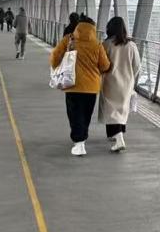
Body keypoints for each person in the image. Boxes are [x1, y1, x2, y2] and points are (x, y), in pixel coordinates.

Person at [50, 14, 110, 156]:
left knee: (74, 114)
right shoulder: (97, 44)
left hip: (72, 85)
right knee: (86, 115)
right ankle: (81, 138)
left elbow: (54, 59)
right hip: (92, 87)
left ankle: (79, 143)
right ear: (93, 28)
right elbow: (105, 66)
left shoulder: (69, 39)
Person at [98, 16, 140, 152]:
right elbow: (137, 66)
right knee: (121, 109)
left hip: (110, 82)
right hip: (127, 82)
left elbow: (101, 64)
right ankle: (115, 135)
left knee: (111, 110)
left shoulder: (106, 44)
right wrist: (132, 78)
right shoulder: (131, 45)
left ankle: (119, 139)